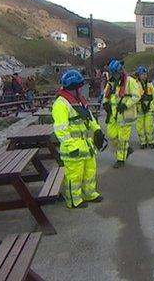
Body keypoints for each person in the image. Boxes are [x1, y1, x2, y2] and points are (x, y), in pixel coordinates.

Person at [51, 69, 106, 208]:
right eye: (80, 86)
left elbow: (89, 118)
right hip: (73, 148)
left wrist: (97, 130)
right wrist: (71, 147)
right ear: (73, 88)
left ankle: (89, 194)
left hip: (85, 144)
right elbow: (60, 130)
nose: (82, 88)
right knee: (74, 176)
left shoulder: (78, 100)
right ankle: (74, 201)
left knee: (89, 171)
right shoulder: (61, 104)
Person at [102, 59, 140, 168]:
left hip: (125, 115)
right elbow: (106, 94)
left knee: (122, 139)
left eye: (115, 73)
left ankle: (120, 159)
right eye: (112, 73)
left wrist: (126, 105)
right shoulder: (111, 82)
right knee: (112, 136)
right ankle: (127, 149)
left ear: (120, 72)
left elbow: (136, 96)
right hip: (113, 115)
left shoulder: (130, 81)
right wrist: (105, 103)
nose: (114, 75)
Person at [133, 65, 154, 149]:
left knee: (149, 125)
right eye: (143, 74)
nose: (144, 76)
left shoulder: (149, 84)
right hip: (139, 108)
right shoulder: (135, 84)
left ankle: (151, 141)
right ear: (138, 75)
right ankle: (143, 142)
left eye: (145, 74)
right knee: (140, 127)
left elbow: (153, 95)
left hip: (149, 107)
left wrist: (152, 104)